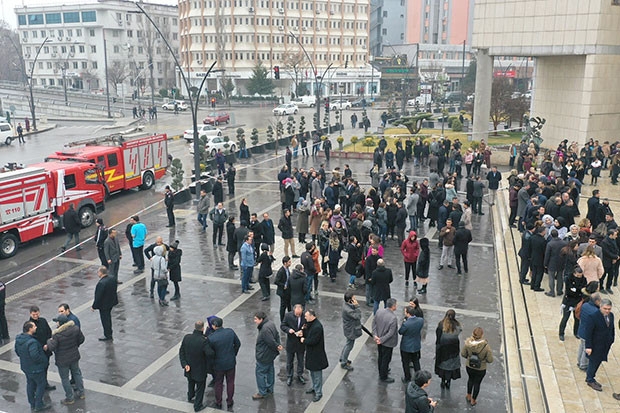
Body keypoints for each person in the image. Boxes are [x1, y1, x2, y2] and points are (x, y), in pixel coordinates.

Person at [46, 314, 85, 405]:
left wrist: (49, 341)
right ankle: (81, 392)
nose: (56, 323)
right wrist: (75, 346)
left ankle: (70, 398)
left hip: (62, 360)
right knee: (76, 373)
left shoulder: (57, 335)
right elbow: (82, 339)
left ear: (61, 323)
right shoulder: (75, 329)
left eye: (57, 322)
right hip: (74, 356)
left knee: (65, 378)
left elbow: (52, 347)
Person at [15, 321, 50, 412]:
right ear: (30, 329)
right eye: (34, 326)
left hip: (26, 367)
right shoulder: (32, 342)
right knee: (40, 385)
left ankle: (32, 403)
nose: (36, 327)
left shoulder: (19, 339)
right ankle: (39, 404)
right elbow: (35, 355)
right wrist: (43, 361)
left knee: (30, 384)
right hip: (36, 368)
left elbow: (17, 352)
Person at [179, 320, 213, 412]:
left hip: (189, 368)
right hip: (200, 369)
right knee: (200, 388)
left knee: (190, 382)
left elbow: (181, 352)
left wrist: (184, 364)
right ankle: (197, 406)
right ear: (202, 328)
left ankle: (190, 396)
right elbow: (210, 354)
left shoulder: (187, 337)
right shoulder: (203, 341)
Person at [208, 317, 241, 410]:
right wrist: (233, 354)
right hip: (230, 362)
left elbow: (210, 353)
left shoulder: (211, 338)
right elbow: (238, 343)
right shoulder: (230, 332)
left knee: (218, 383)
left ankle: (218, 401)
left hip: (218, 365)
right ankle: (229, 400)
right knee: (230, 382)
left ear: (214, 326)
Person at [582, 298, 614, 391]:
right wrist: (588, 346)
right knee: (593, 362)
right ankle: (590, 379)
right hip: (595, 345)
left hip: (604, 345)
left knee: (598, 361)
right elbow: (588, 333)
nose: (607, 311)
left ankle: (592, 376)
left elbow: (612, 328)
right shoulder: (593, 317)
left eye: (609, 309)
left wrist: (612, 339)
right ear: (600, 307)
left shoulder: (611, 315)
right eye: (605, 309)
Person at [252, 312, 282, 400]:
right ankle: (270, 388)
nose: (255, 321)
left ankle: (262, 392)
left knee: (260, 373)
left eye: (256, 319)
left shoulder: (264, 329)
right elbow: (276, 335)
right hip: (270, 355)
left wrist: (276, 346)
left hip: (264, 355)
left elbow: (270, 341)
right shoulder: (271, 323)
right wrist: (278, 345)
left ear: (261, 319)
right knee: (270, 371)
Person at [461, 327, 493, 406]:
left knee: (470, 379)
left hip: (470, 366)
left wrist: (469, 358)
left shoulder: (468, 343)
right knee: (477, 383)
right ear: (482, 335)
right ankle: (473, 400)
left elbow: (463, 354)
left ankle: (468, 395)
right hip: (480, 368)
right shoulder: (486, 346)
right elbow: (490, 360)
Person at [301, 309, 328, 402]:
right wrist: (303, 331)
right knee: (312, 372)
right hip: (311, 353)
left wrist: (304, 340)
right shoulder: (310, 323)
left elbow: (313, 341)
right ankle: (314, 387)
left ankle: (318, 392)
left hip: (316, 354)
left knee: (317, 374)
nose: (305, 318)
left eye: (306, 316)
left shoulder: (317, 327)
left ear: (312, 316)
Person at [372, 298, 399, 383]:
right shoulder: (393, 318)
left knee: (380, 356)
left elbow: (374, 323)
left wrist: (375, 335)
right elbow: (391, 333)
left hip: (378, 340)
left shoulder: (379, 311)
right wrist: (381, 339)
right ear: (393, 306)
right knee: (386, 359)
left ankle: (381, 370)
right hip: (387, 342)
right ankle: (383, 375)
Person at [28, 306, 54, 391]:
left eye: (37, 314)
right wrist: (42, 345)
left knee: (46, 366)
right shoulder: (29, 325)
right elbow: (31, 338)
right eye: (33, 314)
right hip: (38, 351)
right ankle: (40, 385)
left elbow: (49, 332)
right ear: (30, 314)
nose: (35, 316)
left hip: (46, 349)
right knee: (40, 368)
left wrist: (47, 343)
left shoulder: (43, 320)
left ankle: (45, 383)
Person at [435, 309, 462, 389]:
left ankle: (443, 381)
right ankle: (448, 382)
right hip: (454, 350)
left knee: (443, 365)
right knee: (451, 366)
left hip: (443, 349)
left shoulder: (441, 325)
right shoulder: (457, 325)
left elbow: (438, 337)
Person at [559, 267, 587, 341]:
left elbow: (583, 290)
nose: (579, 277)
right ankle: (561, 333)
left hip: (577, 301)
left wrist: (576, 290)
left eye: (580, 275)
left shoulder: (584, 279)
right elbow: (569, 291)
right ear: (574, 273)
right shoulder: (568, 278)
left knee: (577, 318)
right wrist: (577, 290)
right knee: (565, 318)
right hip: (568, 301)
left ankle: (576, 332)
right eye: (578, 276)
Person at [281, 304, 306, 385]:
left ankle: (300, 375)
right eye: (297, 314)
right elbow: (283, 326)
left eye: (299, 314)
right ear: (294, 311)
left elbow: (308, 326)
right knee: (289, 361)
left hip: (300, 343)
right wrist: (289, 330)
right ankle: (289, 376)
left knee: (301, 360)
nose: (298, 315)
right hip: (291, 342)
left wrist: (303, 332)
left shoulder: (305, 316)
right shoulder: (288, 316)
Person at [91, 266, 118, 341]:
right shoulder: (112, 278)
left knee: (105, 320)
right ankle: (109, 332)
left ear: (100, 272)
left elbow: (98, 296)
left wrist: (94, 306)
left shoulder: (101, 283)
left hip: (104, 305)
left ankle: (108, 334)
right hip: (111, 302)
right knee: (108, 318)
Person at [400, 305, 424, 383]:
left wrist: (404, 322)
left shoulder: (406, 324)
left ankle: (407, 377)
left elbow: (400, 332)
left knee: (406, 363)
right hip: (416, 345)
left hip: (406, 346)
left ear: (408, 314)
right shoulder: (420, 320)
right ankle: (418, 376)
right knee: (416, 361)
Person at [340, 291, 362, 371]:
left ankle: (342, 358)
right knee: (349, 345)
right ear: (350, 300)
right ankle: (344, 362)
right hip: (351, 329)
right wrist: (357, 306)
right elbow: (358, 316)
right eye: (353, 298)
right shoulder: (348, 310)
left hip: (349, 328)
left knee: (347, 344)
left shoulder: (347, 305)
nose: (355, 299)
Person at [274, 256, 293, 321]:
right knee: (283, 306)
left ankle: (290, 317)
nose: (290, 263)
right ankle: (282, 319)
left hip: (288, 291)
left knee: (289, 305)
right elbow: (276, 281)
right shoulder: (281, 271)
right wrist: (283, 285)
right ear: (285, 263)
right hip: (283, 291)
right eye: (289, 262)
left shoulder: (287, 269)